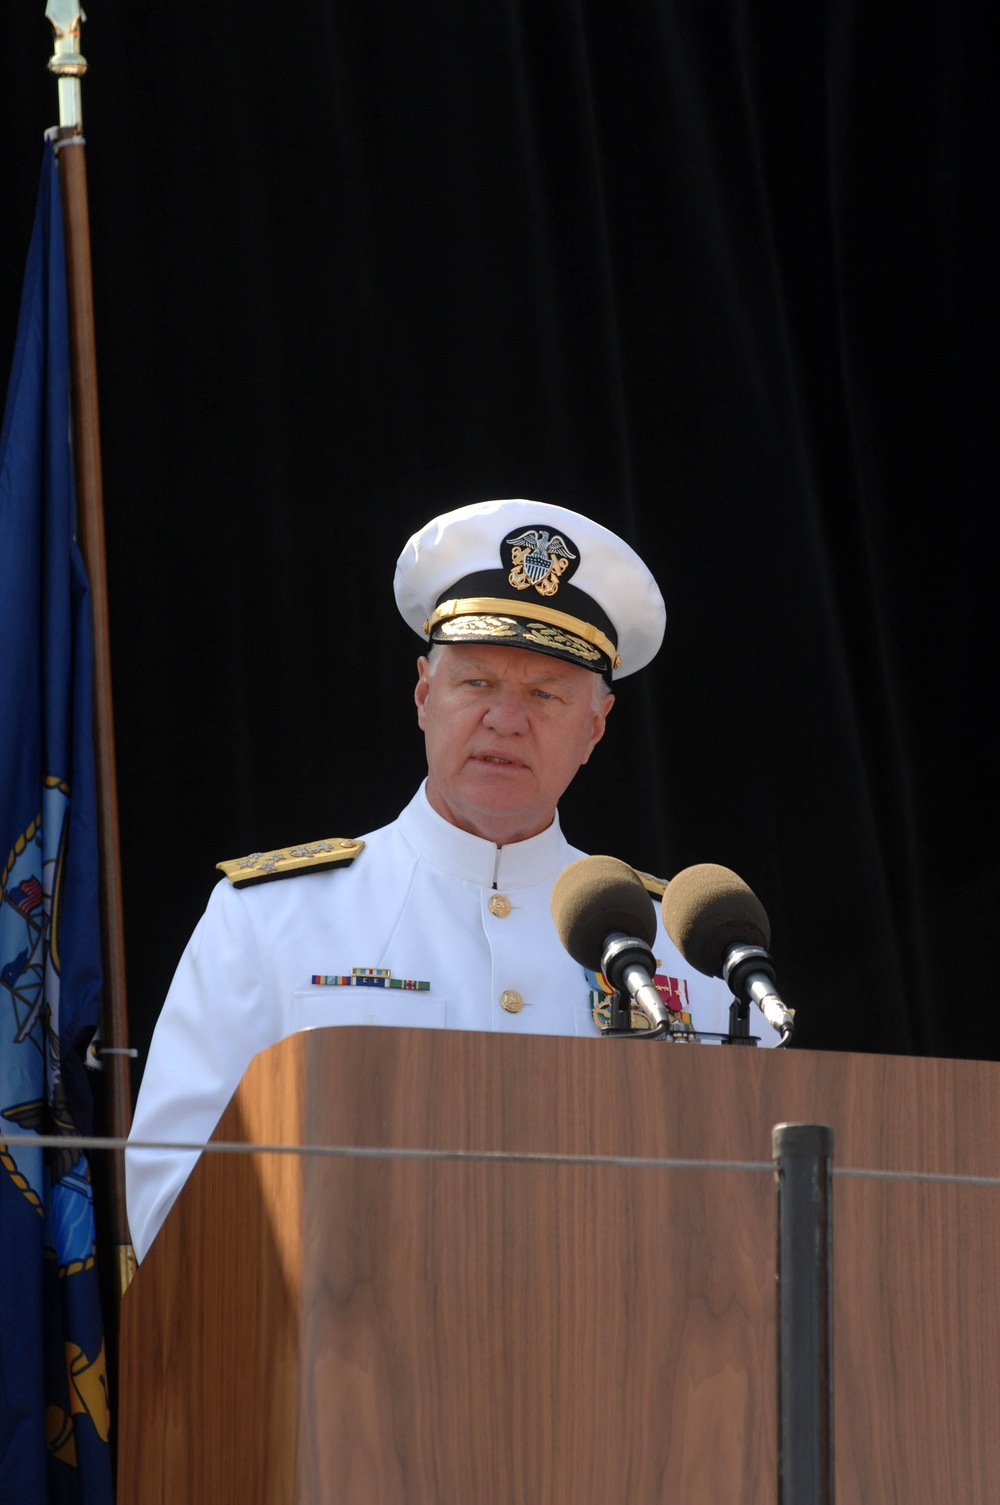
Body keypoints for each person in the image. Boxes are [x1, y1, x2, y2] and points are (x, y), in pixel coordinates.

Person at [125, 498, 756, 1262]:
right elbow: (171, 1191)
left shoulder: (682, 942)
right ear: (425, 695)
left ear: (595, 728)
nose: (505, 719)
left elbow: (749, 1215)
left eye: (546, 693)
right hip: (345, 1365)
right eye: (477, 683)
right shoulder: (269, 916)